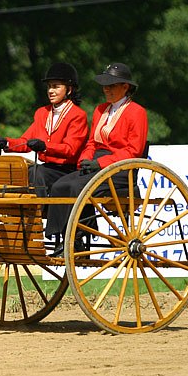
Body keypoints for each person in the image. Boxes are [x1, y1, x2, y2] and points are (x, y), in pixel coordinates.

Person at [44, 62, 148, 256]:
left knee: (77, 188)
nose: (106, 89)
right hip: (96, 164)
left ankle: (78, 236)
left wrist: (100, 163)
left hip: (120, 169)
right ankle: (59, 236)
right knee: (59, 185)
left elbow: (133, 151)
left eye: (112, 85)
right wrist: (85, 160)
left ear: (125, 87)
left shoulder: (137, 112)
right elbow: (91, 142)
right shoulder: (100, 110)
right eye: (105, 85)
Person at [0, 62, 88, 196]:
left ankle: (38, 210)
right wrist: (6, 143)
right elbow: (25, 141)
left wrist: (45, 147)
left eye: (56, 87)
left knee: (36, 172)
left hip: (67, 170)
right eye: (49, 87)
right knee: (25, 171)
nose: (50, 91)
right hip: (46, 169)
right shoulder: (42, 113)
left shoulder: (77, 115)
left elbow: (70, 150)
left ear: (69, 90)